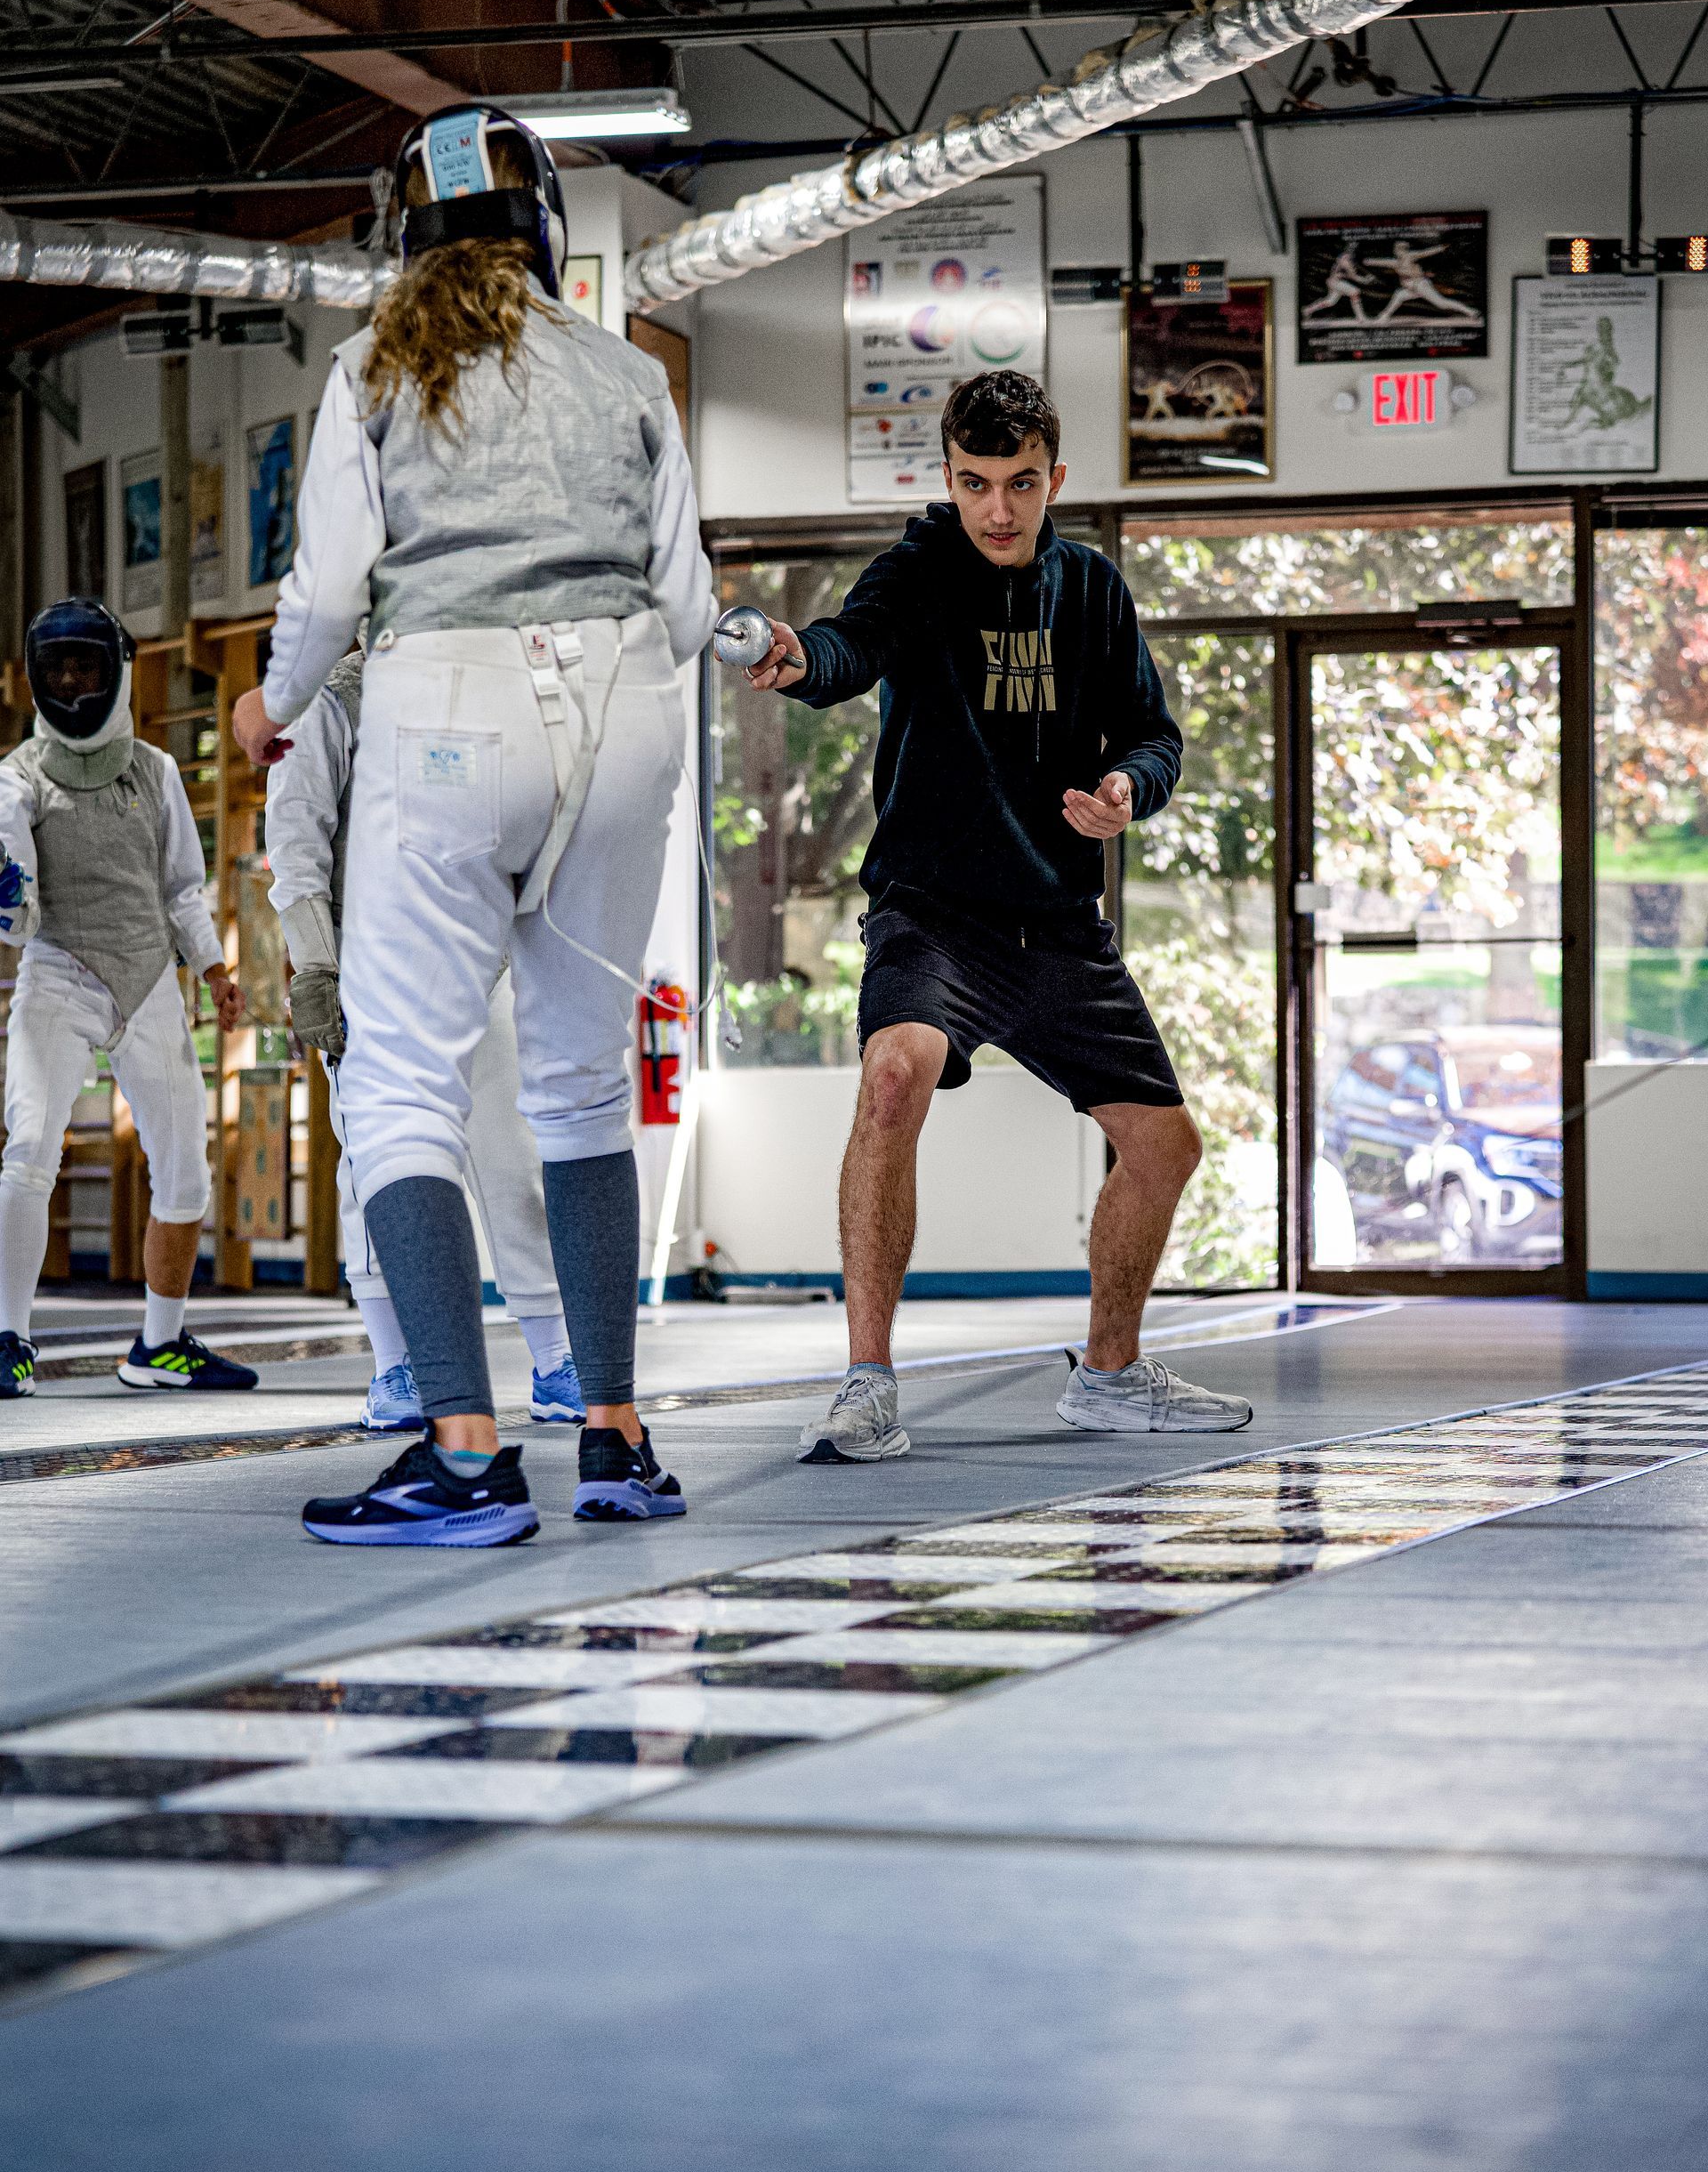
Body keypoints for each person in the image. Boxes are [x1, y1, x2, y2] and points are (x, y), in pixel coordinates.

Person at [232, 102, 715, 1545]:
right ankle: (615, 1440)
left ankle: (457, 1448)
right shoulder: (628, 372)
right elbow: (688, 603)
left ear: (408, 239)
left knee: (399, 1091)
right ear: (545, 228)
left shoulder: (372, 370)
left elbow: (329, 591)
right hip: (628, 716)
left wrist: (273, 704)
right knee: (575, 1089)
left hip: (448, 714)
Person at [741, 369, 1253, 1462]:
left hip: (1060, 926)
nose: (998, 511)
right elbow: (850, 646)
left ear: (1054, 478)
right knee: (893, 1072)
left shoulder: (1094, 593)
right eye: (975, 484)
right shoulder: (922, 570)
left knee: (1165, 1151)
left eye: (1020, 484)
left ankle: (1109, 1379)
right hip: (934, 916)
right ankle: (866, 1385)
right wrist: (799, 661)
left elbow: (1156, 736)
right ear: (950, 480)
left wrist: (1127, 791)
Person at [264, 644, 585, 1433]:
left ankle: (553, 1364)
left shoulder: (480, 688)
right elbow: (296, 843)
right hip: (372, 983)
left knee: (514, 1165)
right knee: (377, 1172)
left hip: (477, 969)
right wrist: (317, 967)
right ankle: (396, 1369)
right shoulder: (330, 702)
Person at [0, 598, 254, 1397]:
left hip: (149, 983)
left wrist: (214, 968)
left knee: (187, 1168)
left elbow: (182, 885)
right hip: (59, 974)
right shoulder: (18, 777)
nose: (72, 680)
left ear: (117, 673)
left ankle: (161, 1344)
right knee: (29, 1152)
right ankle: (8, 1339)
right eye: (57, 668)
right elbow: (17, 905)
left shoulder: (156, 769)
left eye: (86, 666)